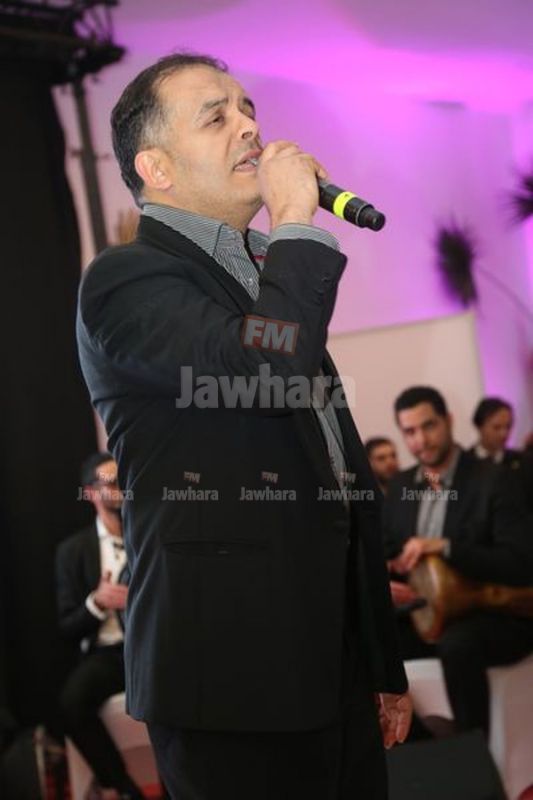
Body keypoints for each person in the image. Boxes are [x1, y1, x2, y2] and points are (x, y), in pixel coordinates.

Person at [76, 53, 410, 799]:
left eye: (248, 108)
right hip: (230, 679)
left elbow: (338, 484)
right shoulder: (125, 279)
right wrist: (293, 221)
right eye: (216, 116)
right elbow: (266, 369)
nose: (250, 127)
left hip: (334, 667)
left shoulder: (261, 277)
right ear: (156, 168)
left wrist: (378, 663)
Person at [383, 386, 533, 735]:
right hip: (426, 613)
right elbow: (386, 550)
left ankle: (473, 755)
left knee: (458, 644)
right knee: (366, 636)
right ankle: (424, 748)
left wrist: (446, 547)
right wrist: (386, 575)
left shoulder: (495, 478)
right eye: (410, 431)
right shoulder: (402, 485)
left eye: (429, 426)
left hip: (496, 613)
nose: (421, 440)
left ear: (448, 421)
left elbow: (520, 562)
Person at [56, 453, 144, 800]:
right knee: (72, 702)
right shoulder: (72, 551)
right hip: (108, 655)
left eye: (122, 481)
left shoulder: (147, 540)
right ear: (91, 492)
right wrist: (97, 602)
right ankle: (124, 788)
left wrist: (137, 599)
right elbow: (67, 627)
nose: (120, 489)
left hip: (149, 648)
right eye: (110, 482)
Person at [470, 396, 519, 465]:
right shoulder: (464, 462)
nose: (504, 434)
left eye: (508, 427)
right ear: (480, 427)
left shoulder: (521, 461)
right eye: (497, 427)